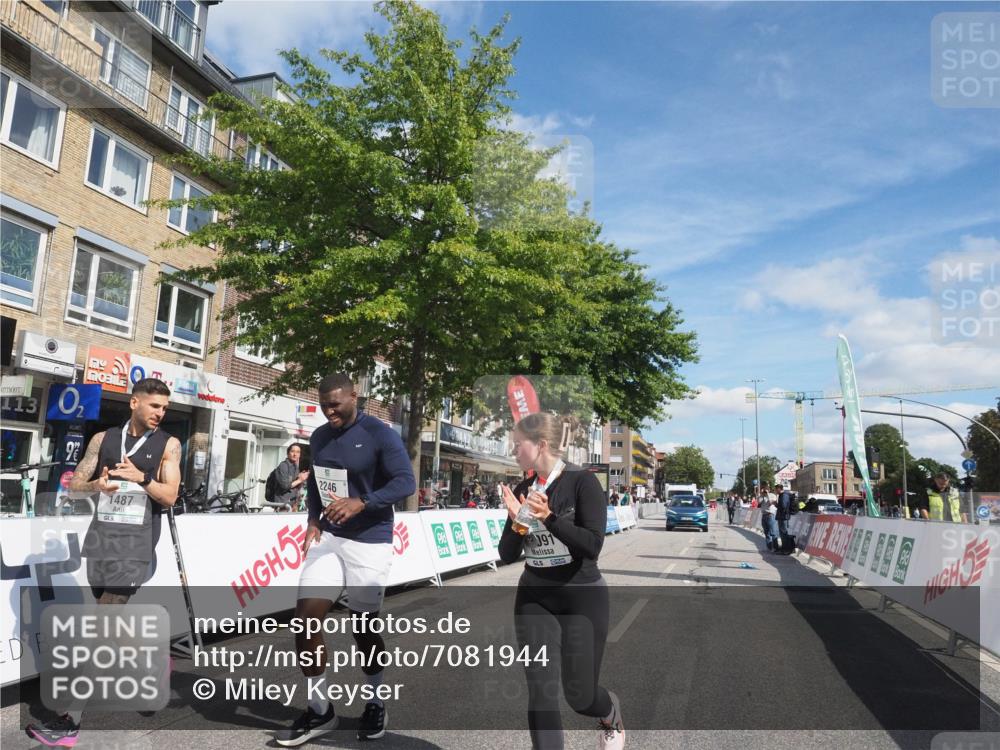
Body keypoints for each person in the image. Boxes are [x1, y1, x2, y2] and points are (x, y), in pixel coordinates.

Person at [26, 378, 181, 747]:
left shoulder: (168, 445)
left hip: (136, 548)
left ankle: (68, 722)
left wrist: (142, 478)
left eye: (164, 408)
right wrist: (99, 484)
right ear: (134, 403)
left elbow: (171, 496)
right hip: (100, 544)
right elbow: (74, 483)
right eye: (154, 406)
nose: (160, 413)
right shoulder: (103, 439)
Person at [276, 373, 416, 747]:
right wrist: (310, 521)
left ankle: (375, 703)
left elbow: (406, 483)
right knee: (305, 620)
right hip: (329, 536)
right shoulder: (320, 436)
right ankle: (321, 711)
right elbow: (318, 481)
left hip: (369, 540)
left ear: (356, 396)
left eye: (336, 404)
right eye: (324, 405)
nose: (329, 411)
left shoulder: (380, 434)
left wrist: (363, 502)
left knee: (364, 627)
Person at [498, 412, 624, 750]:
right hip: (535, 597)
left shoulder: (582, 482)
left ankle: (610, 712)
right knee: (540, 689)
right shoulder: (523, 488)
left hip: (581, 596)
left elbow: (592, 545)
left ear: (539, 445)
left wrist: (549, 517)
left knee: (580, 697)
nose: (514, 451)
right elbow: (507, 554)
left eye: (517, 445)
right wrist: (517, 521)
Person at [271, 443, 310, 511]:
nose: (295, 454)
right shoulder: (283, 466)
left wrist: (300, 477)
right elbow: (285, 486)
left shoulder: (295, 467)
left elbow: (294, 484)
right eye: (292, 451)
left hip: (292, 504)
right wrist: (300, 480)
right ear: (288, 453)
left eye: (298, 452)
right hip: (282, 506)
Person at [774, 484, 794, 554]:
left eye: (776, 489)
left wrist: (777, 504)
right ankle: (784, 549)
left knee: (783, 533)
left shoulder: (784, 495)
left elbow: (783, 506)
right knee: (782, 533)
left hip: (783, 517)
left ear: (779, 489)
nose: (775, 491)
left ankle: (785, 549)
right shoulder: (782, 495)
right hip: (782, 516)